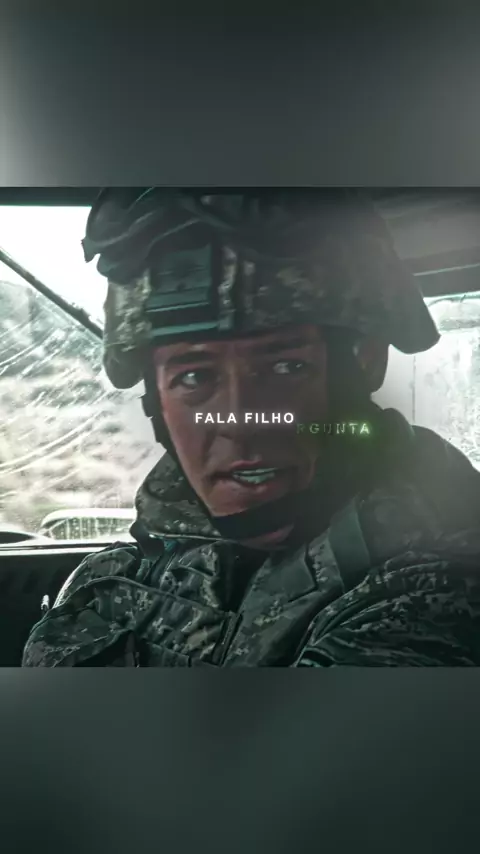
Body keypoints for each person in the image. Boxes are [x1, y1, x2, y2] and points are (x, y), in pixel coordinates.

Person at [22, 189, 480, 667]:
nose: (241, 426)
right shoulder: (133, 563)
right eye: (194, 377)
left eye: (287, 367)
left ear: (363, 364)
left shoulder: (436, 583)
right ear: (156, 400)